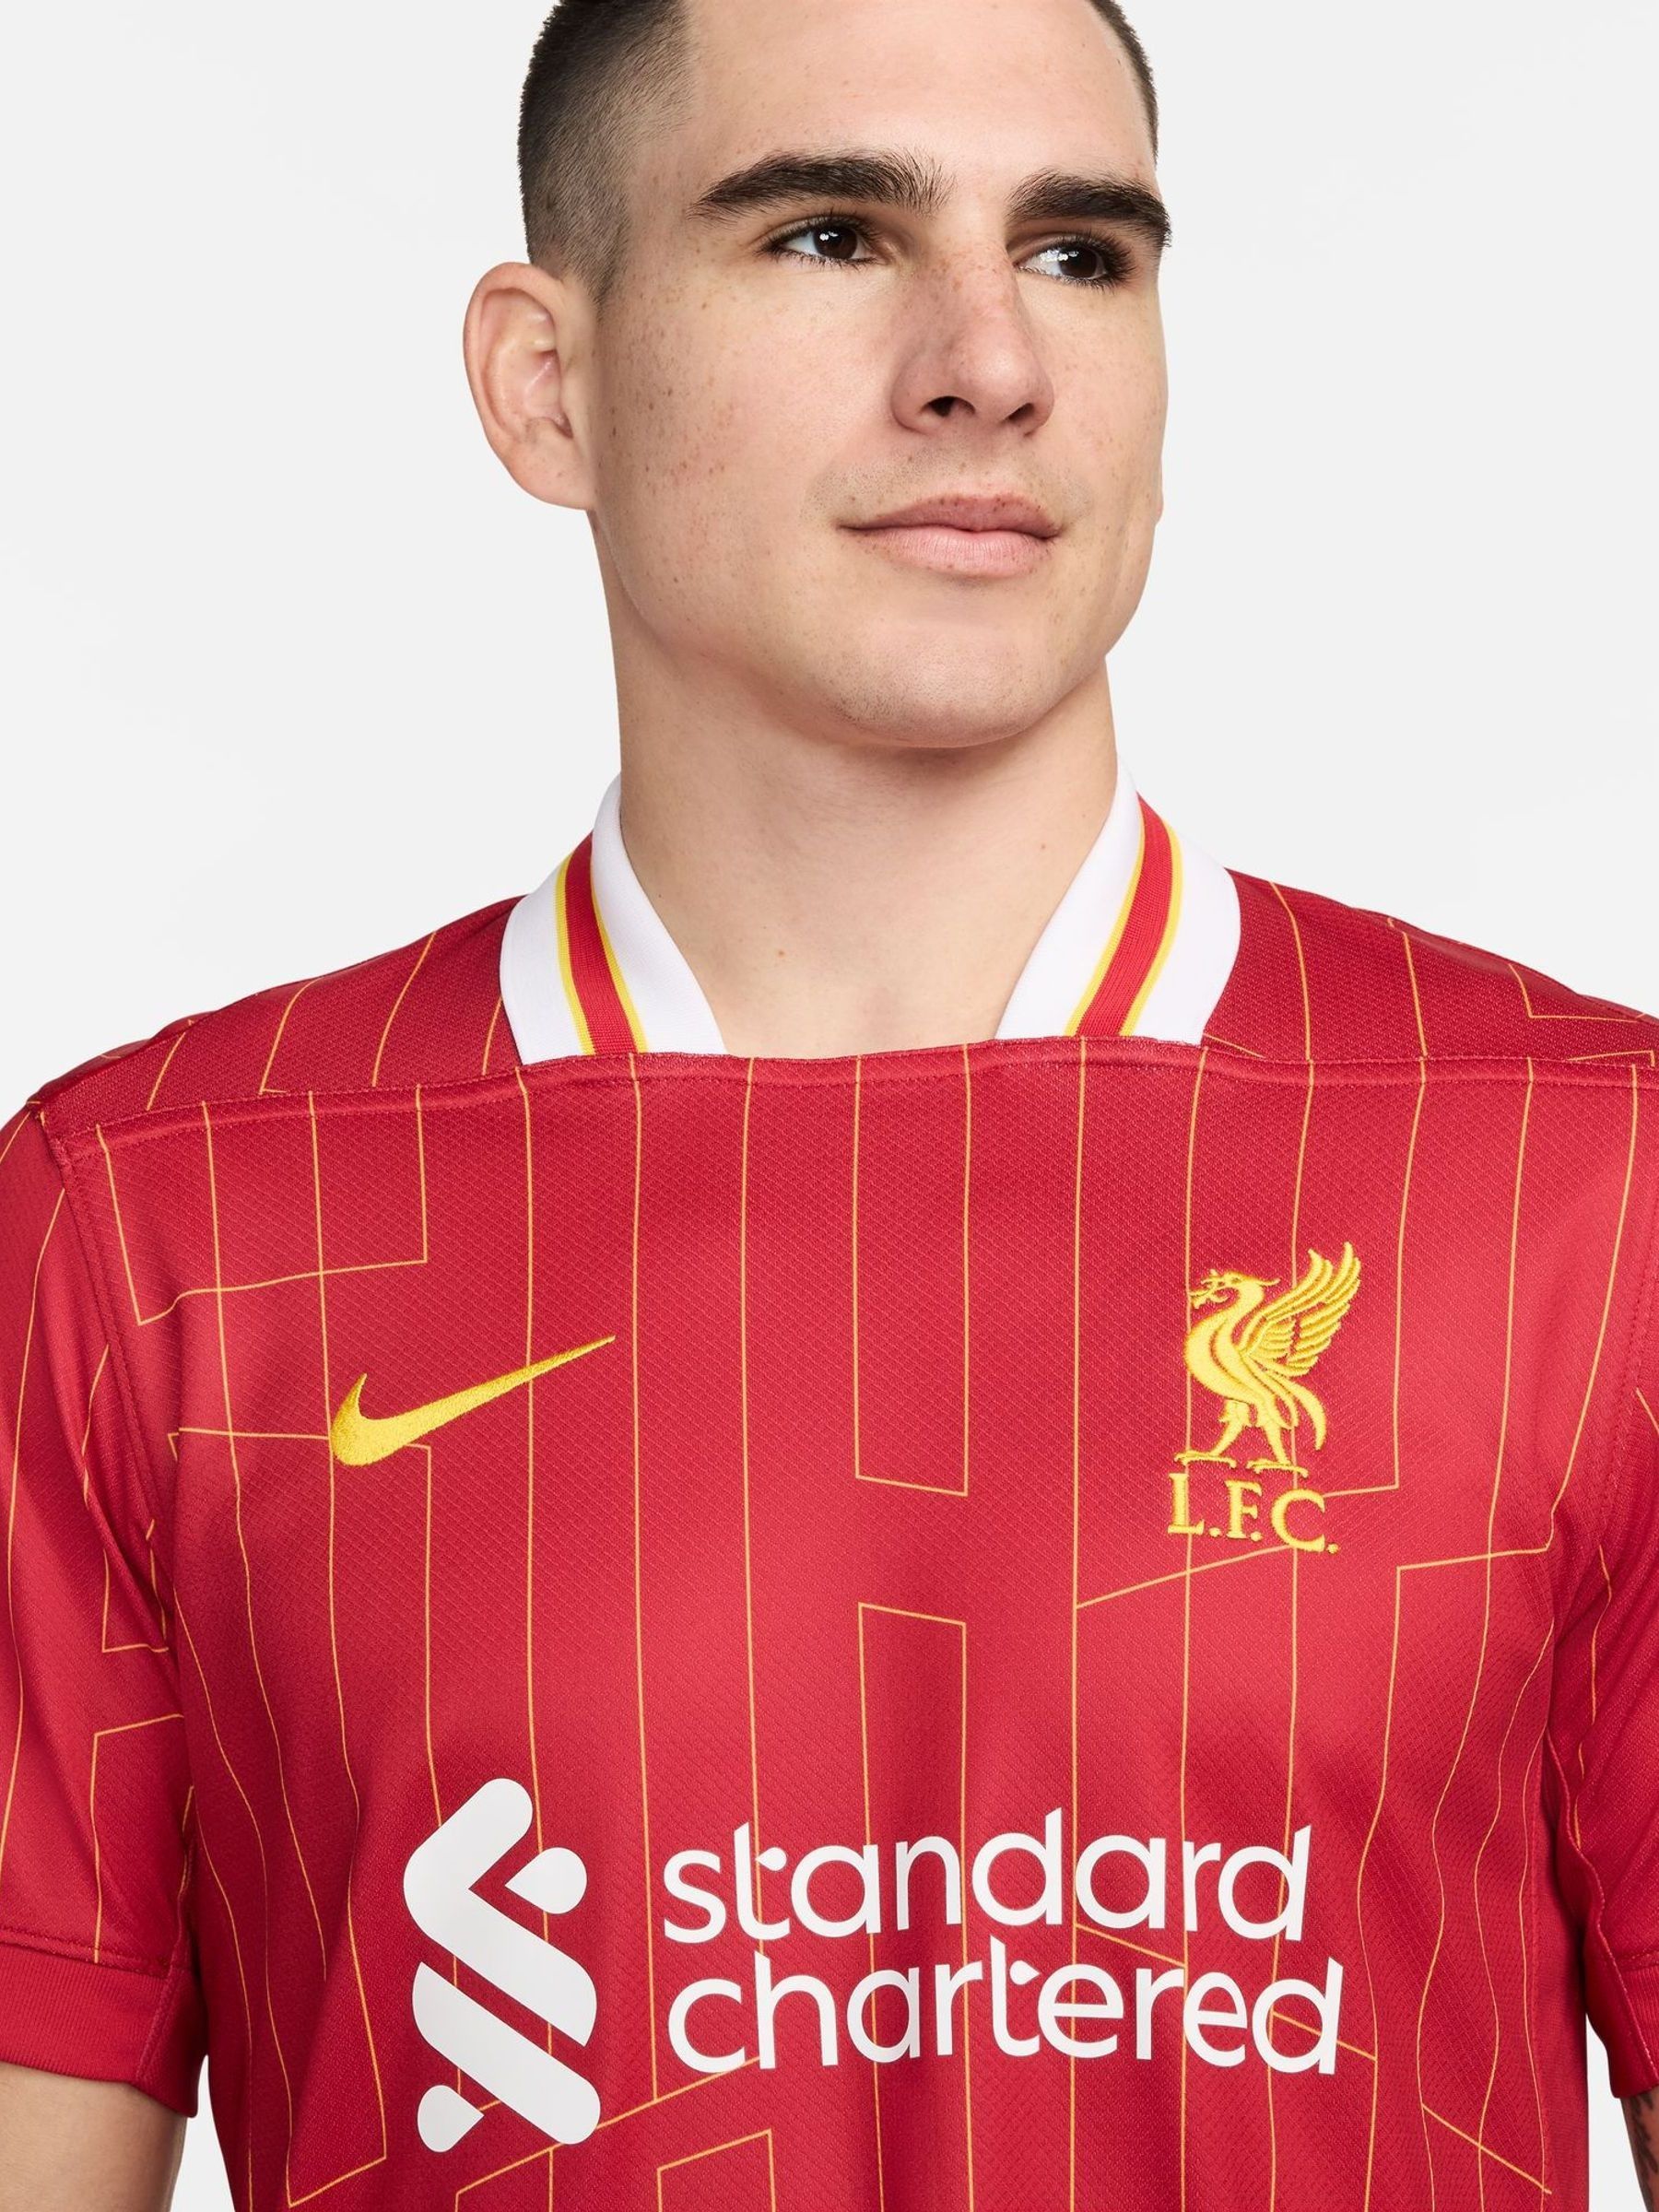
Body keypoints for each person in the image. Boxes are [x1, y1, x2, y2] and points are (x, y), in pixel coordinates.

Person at [2, 0, 1655, 2205]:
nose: (991, 360)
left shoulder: (1584, 1186)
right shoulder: (159, 1229)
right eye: (829, 236)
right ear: (547, 382)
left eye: (1077, 252)